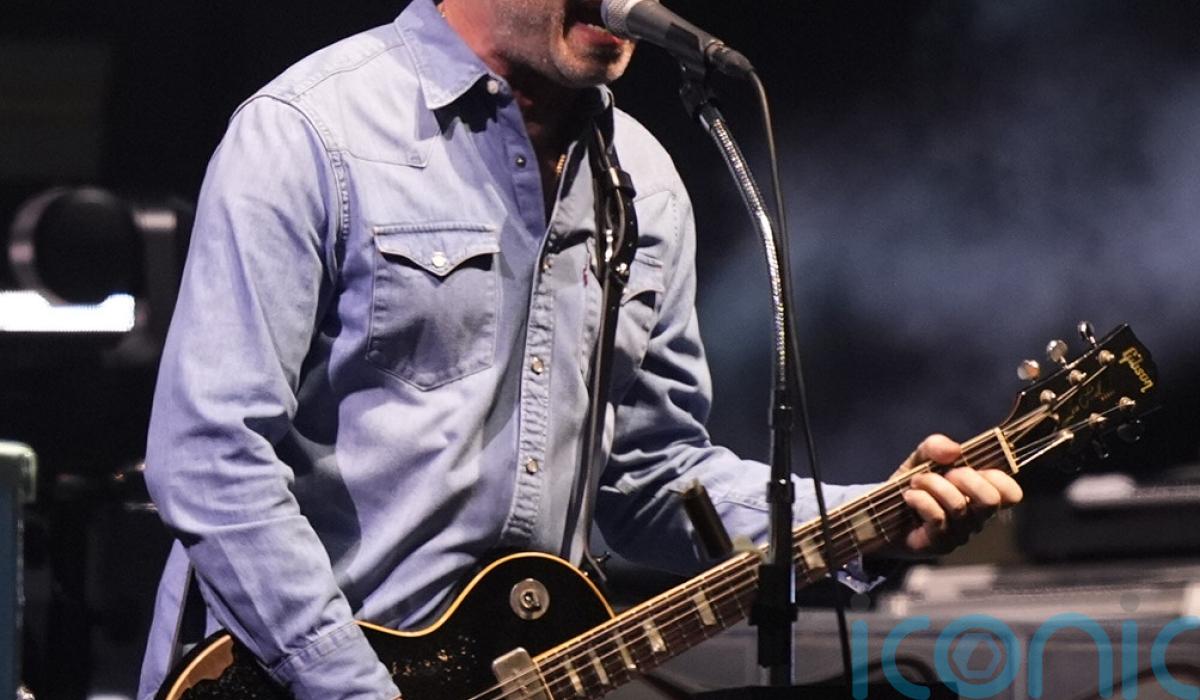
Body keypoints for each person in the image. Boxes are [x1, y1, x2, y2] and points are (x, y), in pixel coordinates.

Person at [136, 1, 1023, 698]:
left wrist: (871, 518)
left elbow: (649, 478)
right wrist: (354, 687)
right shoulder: (310, 132)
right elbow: (210, 458)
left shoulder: (645, 182)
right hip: (288, 679)